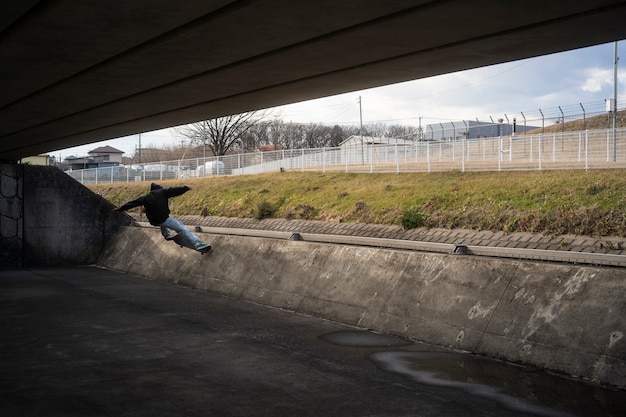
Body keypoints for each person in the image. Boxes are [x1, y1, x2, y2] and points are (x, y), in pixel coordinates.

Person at [114, 183, 210, 251]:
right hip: (163, 218)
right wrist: (185, 188)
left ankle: (166, 235)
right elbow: (174, 190)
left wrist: (120, 209)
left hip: (154, 221)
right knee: (181, 228)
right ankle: (197, 243)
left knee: (163, 222)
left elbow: (131, 203)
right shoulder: (162, 192)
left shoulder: (145, 198)